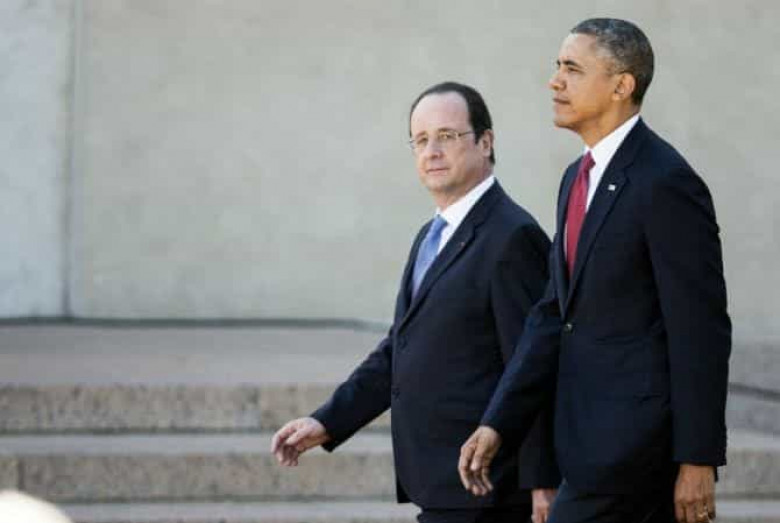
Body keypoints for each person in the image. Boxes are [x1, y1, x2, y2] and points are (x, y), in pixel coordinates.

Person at [458, 18, 731, 523]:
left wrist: (698, 459)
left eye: (572, 69)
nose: (554, 81)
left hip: (638, 448)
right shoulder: (575, 178)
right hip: (584, 443)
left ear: (621, 86)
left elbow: (700, 330)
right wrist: (498, 421)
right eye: (557, 66)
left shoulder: (665, 182)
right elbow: (552, 313)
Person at [271, 81, 560, 523]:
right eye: (420, 140)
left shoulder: (512, 237)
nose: (432, 152)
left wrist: (543, 480)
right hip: (441, 483)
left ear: (485, 142)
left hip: (489, 489)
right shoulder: (431, 236)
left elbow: (536, 364)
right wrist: (327, 422)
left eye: (447, 136)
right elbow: (400, 348)